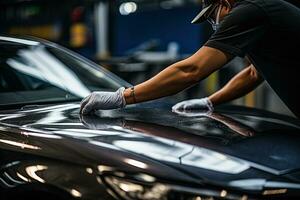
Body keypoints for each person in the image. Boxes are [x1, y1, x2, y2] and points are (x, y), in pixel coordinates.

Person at [80, 0, 300, 118]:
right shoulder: (261, 12)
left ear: (224, 3)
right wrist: (210, 101)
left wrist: (122, 97)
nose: (213, 23)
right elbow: (253, 73)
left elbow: (191, 71)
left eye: (211, 15)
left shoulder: (250, 11)